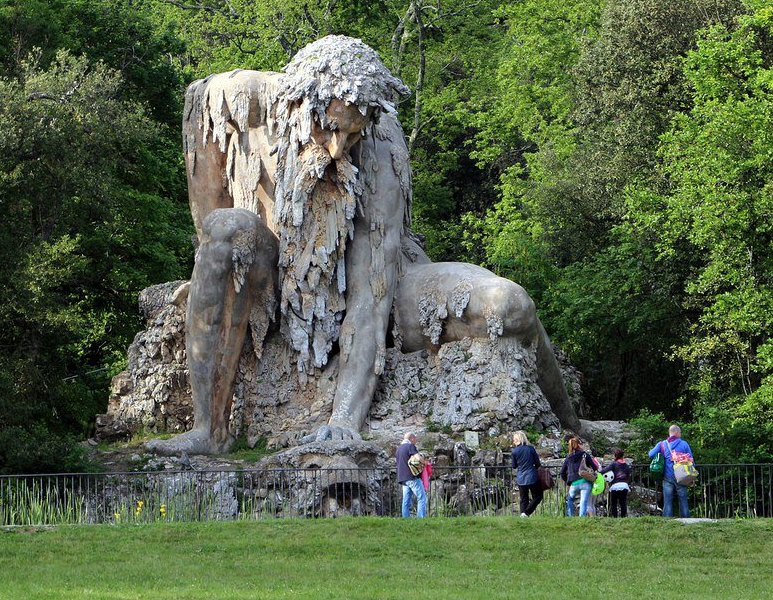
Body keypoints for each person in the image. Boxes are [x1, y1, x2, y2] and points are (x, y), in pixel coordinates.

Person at [147, 35, 584, 456]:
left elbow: (369, 297)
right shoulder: (234, 100)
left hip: (393, 285)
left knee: (508, 305)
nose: (339, 149)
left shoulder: (381, 144)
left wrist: (343, 421)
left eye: (352, 136)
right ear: (301, 106)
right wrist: (205, 275)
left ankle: (574, 428)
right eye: (331, 129)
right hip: (277, 271)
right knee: (227, 230)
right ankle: (209, 430)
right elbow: (208, 223)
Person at [648, 425, 695, 518]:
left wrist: (661, 455)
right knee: (683, 500)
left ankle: (667, 521)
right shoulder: (684, 444)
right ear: (677, 432)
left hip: (667, 476)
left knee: (668, 501)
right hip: (682, 476)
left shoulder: (662, 444)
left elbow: (650, 454)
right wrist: (691, 476)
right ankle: (686, 520)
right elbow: (691, 460)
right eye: (680, 433)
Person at [560, 436, 597, 517]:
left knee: (570, 500)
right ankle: (582, 518)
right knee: (583, 501)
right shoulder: (585, 455)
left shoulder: (568, 458)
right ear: (579, 445)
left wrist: (568, 482)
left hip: (574, 483)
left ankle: (570, 516)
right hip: (585, 482)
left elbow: (562, 472)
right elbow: (595, 467)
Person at [510, 431, 543, 518]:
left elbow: (514, 466)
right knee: (538, 496)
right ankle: (526, 513)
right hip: (532, 476)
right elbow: (537, 463)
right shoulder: (530, 449)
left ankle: (523, 515)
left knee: (523, 498)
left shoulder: (514, 452)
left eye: (514, 440)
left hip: (521, 477)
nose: (513, 442)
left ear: (517, 440)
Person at [396, 432, 427, 518]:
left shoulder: (399, 449)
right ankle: (421, 518)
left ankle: (406, 519)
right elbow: (418, 458)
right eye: (415, 439)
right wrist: (425, 462)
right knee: (422, 498)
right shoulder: (410, 446)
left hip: (402, 478)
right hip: (412, 477)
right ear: (412, 438)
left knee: (406, 501)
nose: (415, 441)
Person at [601, 448, 632, 517]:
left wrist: (598, 473)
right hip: (624, 485)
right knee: (623, 503)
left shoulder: (614, 464)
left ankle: (614, 517)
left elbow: (605, 470)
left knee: (613, 503)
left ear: (615, 456)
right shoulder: (627, 466)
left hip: (615, 486)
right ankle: (623, 517)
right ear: (623, 456)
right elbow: (628, 476)